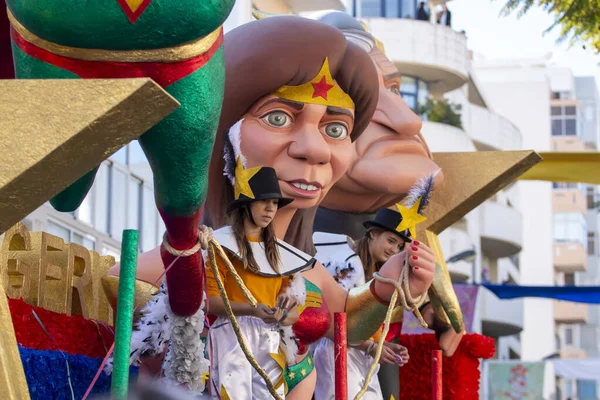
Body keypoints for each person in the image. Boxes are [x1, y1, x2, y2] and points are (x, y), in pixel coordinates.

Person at [107, 16, 437, 399]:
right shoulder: (208, 249)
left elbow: (345, 319)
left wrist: (387, 286)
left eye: (335, 129)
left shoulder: (301, 263)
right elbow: (121, 282)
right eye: (278, 118)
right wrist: (184, 326)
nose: (315, 149)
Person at [311, 11, 465, 400]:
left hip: (373, 367)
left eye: (394, 89)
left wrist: (439, 310)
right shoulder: (321, 251)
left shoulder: (384, 248)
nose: (410, 122)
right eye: (358, 92)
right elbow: (321, 319)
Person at [205, 161, 307, 398]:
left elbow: (294, 311)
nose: (270, 208)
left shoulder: (281, 255)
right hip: (230, 332)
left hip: (271, 337)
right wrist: (253, 310)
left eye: (274, 203)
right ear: (246, 205)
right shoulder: (220, 246)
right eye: (264, 201)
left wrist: (284, 314)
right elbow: (210, 302)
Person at [314, 205, 424, 399]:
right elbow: (333, 323)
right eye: (391, 241)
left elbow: (361, 325)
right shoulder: (349, 264)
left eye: (399, 246)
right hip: (337, 354)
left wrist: (383, 347)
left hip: (361, 357)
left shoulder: (374, 272)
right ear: (372, 234)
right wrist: (372, 348)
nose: (394, 250)